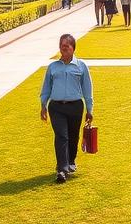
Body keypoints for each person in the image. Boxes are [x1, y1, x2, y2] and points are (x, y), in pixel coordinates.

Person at [39, 34, 94, 184]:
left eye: (66, 46)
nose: (63, 49)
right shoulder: (52, 67)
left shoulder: (81, 66)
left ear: (73, 48)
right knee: (61, 136)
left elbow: (87, 89)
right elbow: (46, 88)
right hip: (56, 107)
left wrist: (89, 110)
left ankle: (70, 161)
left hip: (75, 106)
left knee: (73, 136)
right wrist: (43, 105)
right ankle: (62, 169)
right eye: (62, 46)